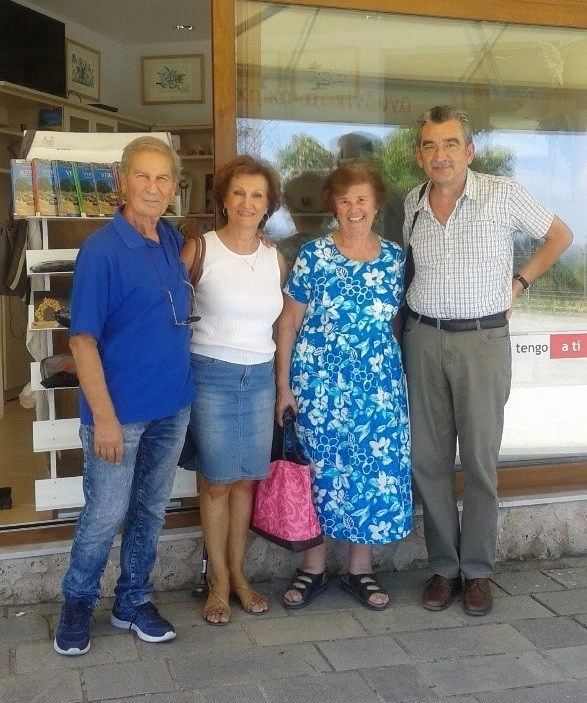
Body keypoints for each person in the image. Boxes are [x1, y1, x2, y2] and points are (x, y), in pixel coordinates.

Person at [402, 105, 573, 616]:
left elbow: (560, 235)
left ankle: (476, 570)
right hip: (423, 337)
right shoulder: (413, 202)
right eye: (430, 145)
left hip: (482, 340)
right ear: (420, 156)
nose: (440, 154)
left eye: (450, 144)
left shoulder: (502, 193)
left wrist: (519, 283)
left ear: (469, 151)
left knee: (479, 461)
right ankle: (443, 567)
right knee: (428, 460)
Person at [53, 136, 195, 656]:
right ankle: (76, 603)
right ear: (122, 181)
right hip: (119, 414)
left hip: (172, 406)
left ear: (173, 186)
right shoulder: (102, 250)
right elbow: (82, 341)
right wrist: (105, 419)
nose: (153, 188)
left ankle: (132, 601)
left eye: (163, 178)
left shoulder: (169, 239)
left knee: (150, 510)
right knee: (105, 515)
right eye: (143, 176)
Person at [275, 161, 412, 611]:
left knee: (370, 473)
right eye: (345, 199)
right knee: (318, 471)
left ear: (376, 204)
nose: (354, 208)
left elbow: (396, 324)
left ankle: (360, 570)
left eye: (362, 199)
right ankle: (312, 567)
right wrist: (283, 388)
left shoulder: (395, 258)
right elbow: (288, 323)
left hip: (377, 387)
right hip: (318, 385)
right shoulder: (313, 255)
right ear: (333, 205)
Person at [181, 155, 287, 625]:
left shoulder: (274, 257)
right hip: (212, 376)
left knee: (246, 481)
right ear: (223, 199)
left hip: (259, 378)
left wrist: (281, 385)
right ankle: (218, 582)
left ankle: (240, 574)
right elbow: (172, 314)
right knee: (217, 483)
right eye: (239, 192)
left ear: (268, 205)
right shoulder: (199, 249)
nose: (247, 202)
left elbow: (280, 324)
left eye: (257, 195)